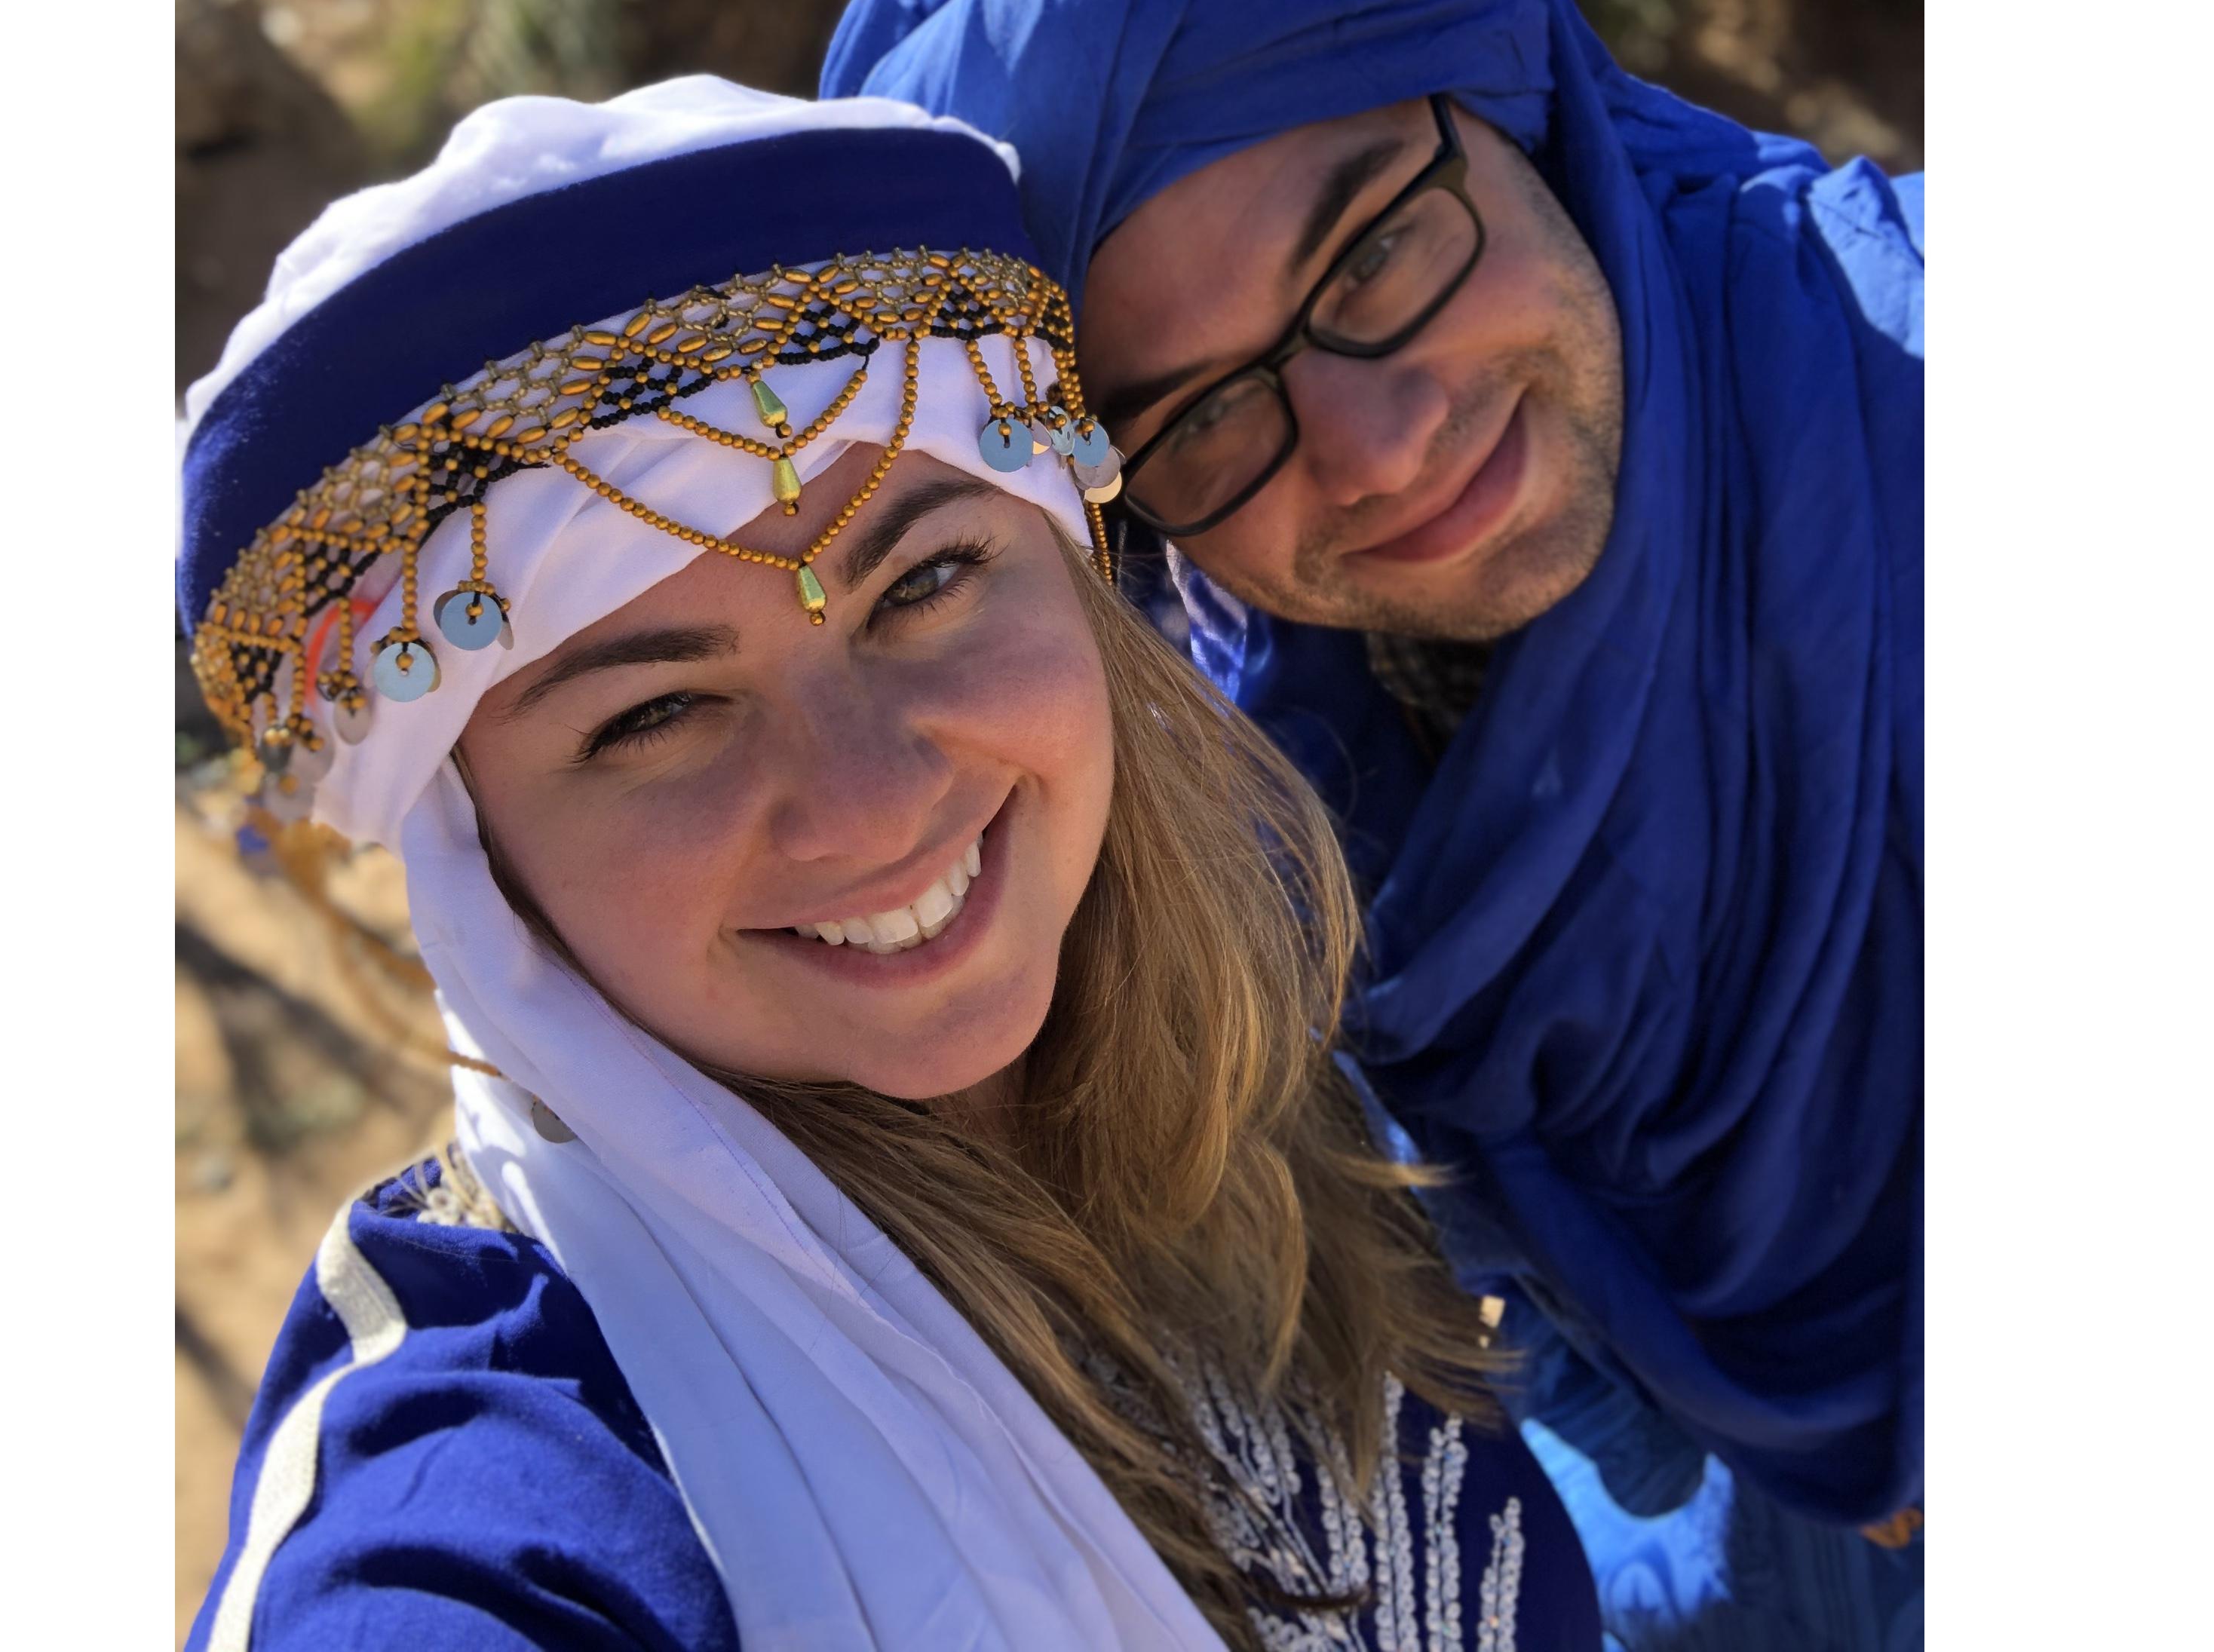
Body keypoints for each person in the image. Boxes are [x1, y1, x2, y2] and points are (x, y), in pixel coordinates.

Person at [178, 79, 1605, 1652]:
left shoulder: (1259, 1062)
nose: (865, 801)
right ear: (471, 849)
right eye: (655, 711)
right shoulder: (483, 1505)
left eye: (924, 580)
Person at [822, 0, 1924, 1647]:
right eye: (1197, 411)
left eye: (1374, 250)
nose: (1379, 440)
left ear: (1523, 115)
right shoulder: (1252, 779)